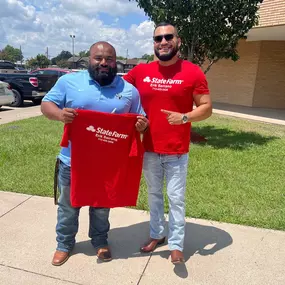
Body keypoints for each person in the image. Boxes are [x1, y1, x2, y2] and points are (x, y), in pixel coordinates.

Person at [41, 41, 149, 266]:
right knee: (68, 207)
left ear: (115, 61)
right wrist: (61, 115)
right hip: (73, 162)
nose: (103, 63)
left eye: (109, 59)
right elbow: (46, 105)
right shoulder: (69, 81)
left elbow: (142, 118)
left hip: (107, 164)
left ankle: (100, 241)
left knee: (101, 207)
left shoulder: (129, 90)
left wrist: (141, 125)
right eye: (98, 58)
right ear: (88, 59)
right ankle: (64, 244)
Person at [123, 22, 212, 264]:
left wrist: (184, 117)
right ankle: (157, 234)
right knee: (153, 195)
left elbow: (206, 107)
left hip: (176, 151)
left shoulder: (192, 72)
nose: (163, 41)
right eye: (158, 38)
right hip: (149, 148)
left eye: (168, 36)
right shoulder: (140, 72)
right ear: (153, 43)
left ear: (178, 41)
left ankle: (176, 244)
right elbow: (118, 91)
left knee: (175, 198)